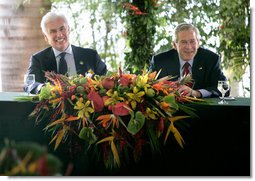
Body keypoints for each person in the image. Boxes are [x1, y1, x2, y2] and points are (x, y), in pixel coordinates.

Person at [24, 11, 107, 94]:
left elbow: (107, 80)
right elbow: (30, 84)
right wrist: (44, 89)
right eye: (53, 31)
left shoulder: (91, 56)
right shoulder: (38, 59)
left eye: (62, 29)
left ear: (68, 29)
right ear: (46, 37)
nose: (59, 34)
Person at [150, 22, 228, 98]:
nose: (189, 47)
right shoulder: (159, 61)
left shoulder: (211, 59)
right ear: (174, 45)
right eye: (183, 42)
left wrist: (197, 93)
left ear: (198, 43)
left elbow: (224, 88)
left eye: (192, 41)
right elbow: (148, 87)